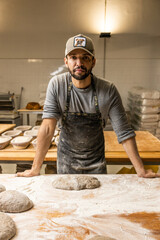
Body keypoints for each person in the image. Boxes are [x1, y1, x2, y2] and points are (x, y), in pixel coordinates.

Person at [17, 34, 160, 178]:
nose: (79, 63)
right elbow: (48, 128)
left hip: (97, 166)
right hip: (66, 164)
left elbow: (124, 132)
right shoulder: (57, 85)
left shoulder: (108, 90)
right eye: (73, 57)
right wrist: (35, 169)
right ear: (66, 61)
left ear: (93, 62)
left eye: (85, 57)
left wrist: (141, 170)